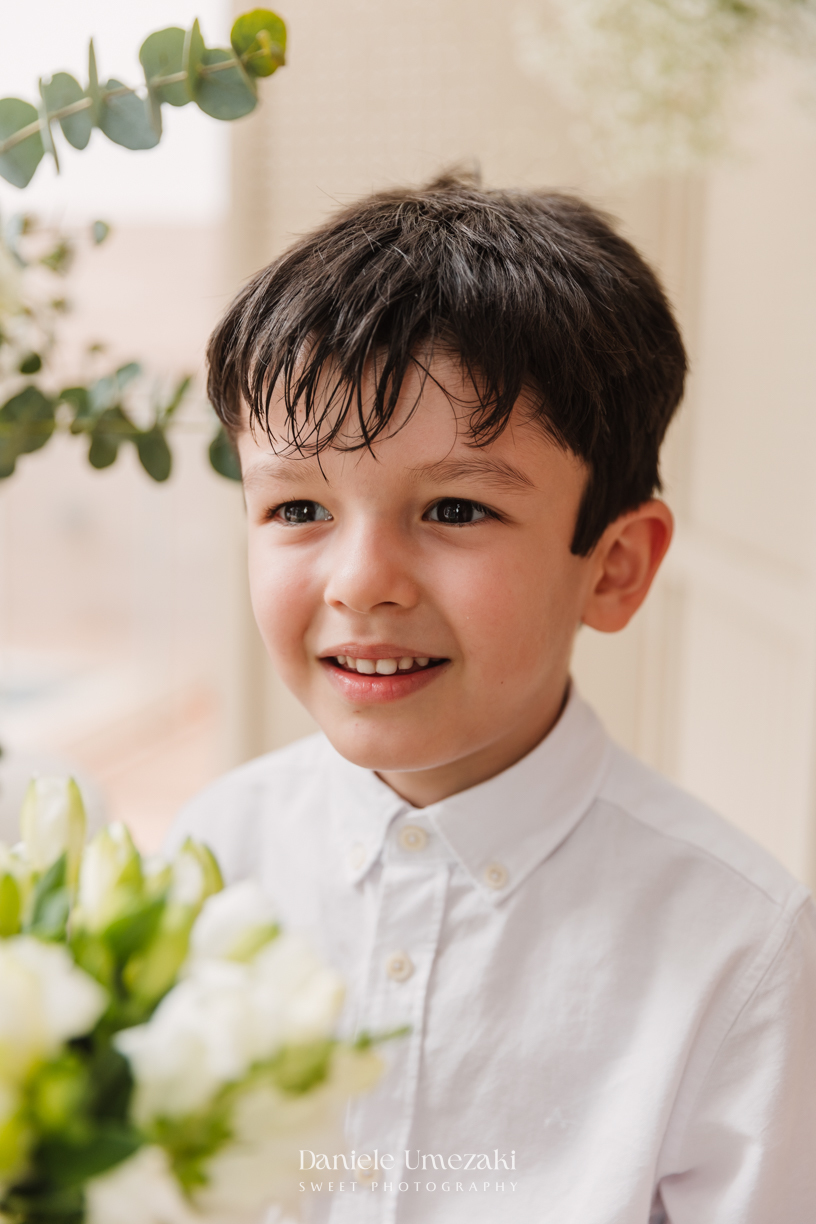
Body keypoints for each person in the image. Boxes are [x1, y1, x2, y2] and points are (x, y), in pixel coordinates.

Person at [167, 174, 816, 1223]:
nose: (361, 583)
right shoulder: (210, 858)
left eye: (456, 509)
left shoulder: (739, 950)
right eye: (298, 508)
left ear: (613, 567)